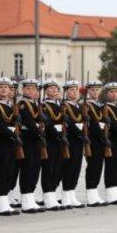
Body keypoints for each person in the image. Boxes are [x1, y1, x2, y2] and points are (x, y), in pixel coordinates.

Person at [0, 77, 21, 216]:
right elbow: (0, 125)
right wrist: (12, 134)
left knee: (10, 170)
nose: (3, 89)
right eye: (0, 87)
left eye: (6, 87)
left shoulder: (11, 105)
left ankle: (5, 200)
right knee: (2, 170)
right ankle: (1, 203)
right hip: (2, 141)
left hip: (12, 141)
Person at [16, 78, 47, 213]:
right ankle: (26, 199)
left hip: (36, 140)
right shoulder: (23, 104)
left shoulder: (36, 104)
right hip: (28, 139)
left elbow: (43, 120)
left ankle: (31, 197)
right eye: (28, 89)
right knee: (28, 169)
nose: (32, 91)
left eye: (34, 89)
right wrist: (40, 131)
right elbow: (29, 122)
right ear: (23, 90)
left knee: (35, 169)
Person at [83, 80, 112, 207]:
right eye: (92, 90)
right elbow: (93, 125)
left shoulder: (99, 105)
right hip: (93, 139)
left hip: (100, 140)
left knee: (99, 166)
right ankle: (90, 195)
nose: (95, 92)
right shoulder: (86, 105)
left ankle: (95, 193)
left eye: (97, 89)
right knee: (93, 166)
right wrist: (102, 136)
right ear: (88, 91)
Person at [40, 79, 67, 211]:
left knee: (57, 168)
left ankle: (53, 193)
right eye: (50, 88)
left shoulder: (60, 105)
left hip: (59, 141)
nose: (54, 90)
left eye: (56, 88)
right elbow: (49, 124)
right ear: (45, 91)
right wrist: (57, 134)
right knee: (48, 168)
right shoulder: (44, 105)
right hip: (50, 140)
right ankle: (47, 195)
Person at [61, 80, 86, 208]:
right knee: (69, 167)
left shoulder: (79, 106)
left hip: (79, 140)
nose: (74, 92)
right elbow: (69, 124)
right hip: (70, 139)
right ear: (66, 92)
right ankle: (66, 195)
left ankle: (72, 194)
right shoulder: (64, 106)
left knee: (76, 167)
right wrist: (80, 134)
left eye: (76, 90)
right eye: (71, 90)